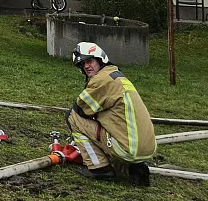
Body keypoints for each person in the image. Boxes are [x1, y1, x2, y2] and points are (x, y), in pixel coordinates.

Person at [66, 41, 156, 186]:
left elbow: (80, 109)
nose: (86, 66)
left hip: (127, 149)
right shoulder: (117, 76)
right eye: (82, 64)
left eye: (89, 61)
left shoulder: (101, 80)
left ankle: (99, 168)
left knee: (72, 117)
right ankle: (134, 168)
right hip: (146, 149)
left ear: (100, 59)